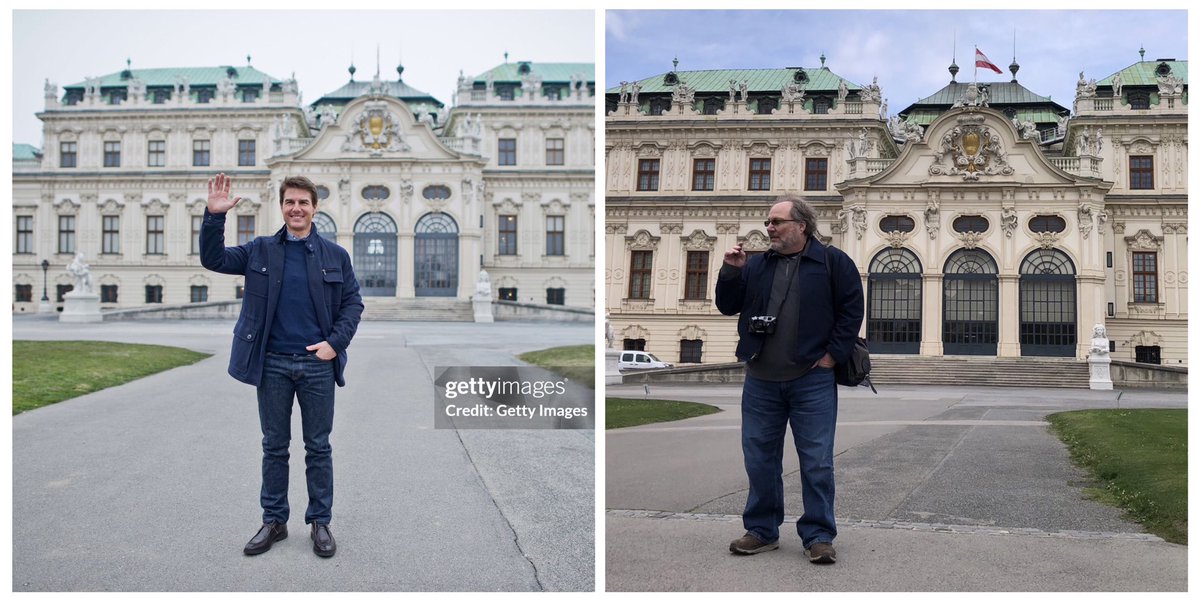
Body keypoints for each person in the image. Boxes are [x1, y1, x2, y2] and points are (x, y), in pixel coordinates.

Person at [200, 173, 363, 558]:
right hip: (271, 363)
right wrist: (214, 216)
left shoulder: (335, 255)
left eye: (303, 202)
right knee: (274, 446)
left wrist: (334, 344)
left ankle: (320, 521)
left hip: (317, 365)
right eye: (290, 202)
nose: (296, 208)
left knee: (318, 447)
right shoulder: (260, 251)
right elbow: (214, 259)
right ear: (282, 207)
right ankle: (274, 521)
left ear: (315, 208)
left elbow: (353, 304)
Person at [715, 195, 864, 564]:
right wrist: (731, 271)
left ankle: (818, 535)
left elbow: (851, 311)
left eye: (777, 221)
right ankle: (762, 530)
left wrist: (832, 356)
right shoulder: (756, 264)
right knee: (759, 459)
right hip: (761, 378)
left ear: (802, 225)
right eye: (768, 222)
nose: (770, 228)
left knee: (817, 461)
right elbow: (727, 305)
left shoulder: (833, 262)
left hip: (811, 379)